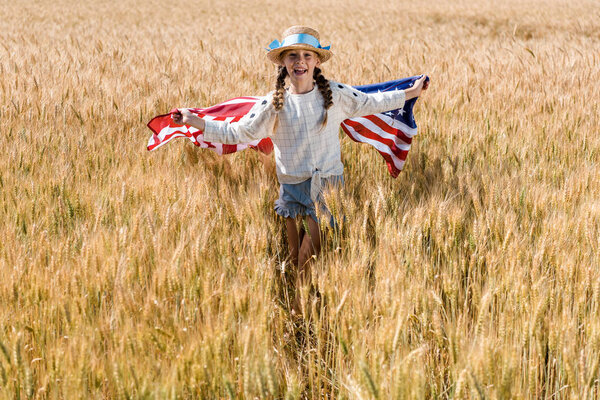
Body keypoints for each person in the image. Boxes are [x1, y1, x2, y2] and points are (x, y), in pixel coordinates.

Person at [173, 26, 428, 313]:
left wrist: (410, 93)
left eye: (307, 55)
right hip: (292, 190)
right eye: (292, 55)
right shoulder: (273, 104)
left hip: (327, 189)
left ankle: (297, 310)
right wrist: (196, 122)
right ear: (283, 62)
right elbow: (239, 132)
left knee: (308, 256)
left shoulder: (335, 95)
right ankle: (303, 315)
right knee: (295, 258)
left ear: (317, 62)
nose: (300, 61)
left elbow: (372, 102)